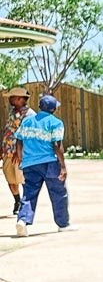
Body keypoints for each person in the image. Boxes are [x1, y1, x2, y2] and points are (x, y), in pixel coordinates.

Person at [14, 92, 69, 237]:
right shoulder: (56, 122)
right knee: (58, 193)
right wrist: (62, 166)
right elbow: (57, 145)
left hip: (30, 164)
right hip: (50, 163)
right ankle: (63, 224)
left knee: (29, 193)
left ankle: (23, 220)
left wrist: (20, 158)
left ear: (39, 107)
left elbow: (19, 141)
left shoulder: (26, 121)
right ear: (54, 109)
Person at [1, 85, 30, 219]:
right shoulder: (12, 113)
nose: (10, 99)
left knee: (22, 178)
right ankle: (17, 200)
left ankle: (26, 204)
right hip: (8, 151)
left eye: (12, 97)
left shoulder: (30, 115)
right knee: (10, 178)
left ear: (20, 99)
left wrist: (20, 152)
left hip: (20, 153)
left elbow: (29, 136)